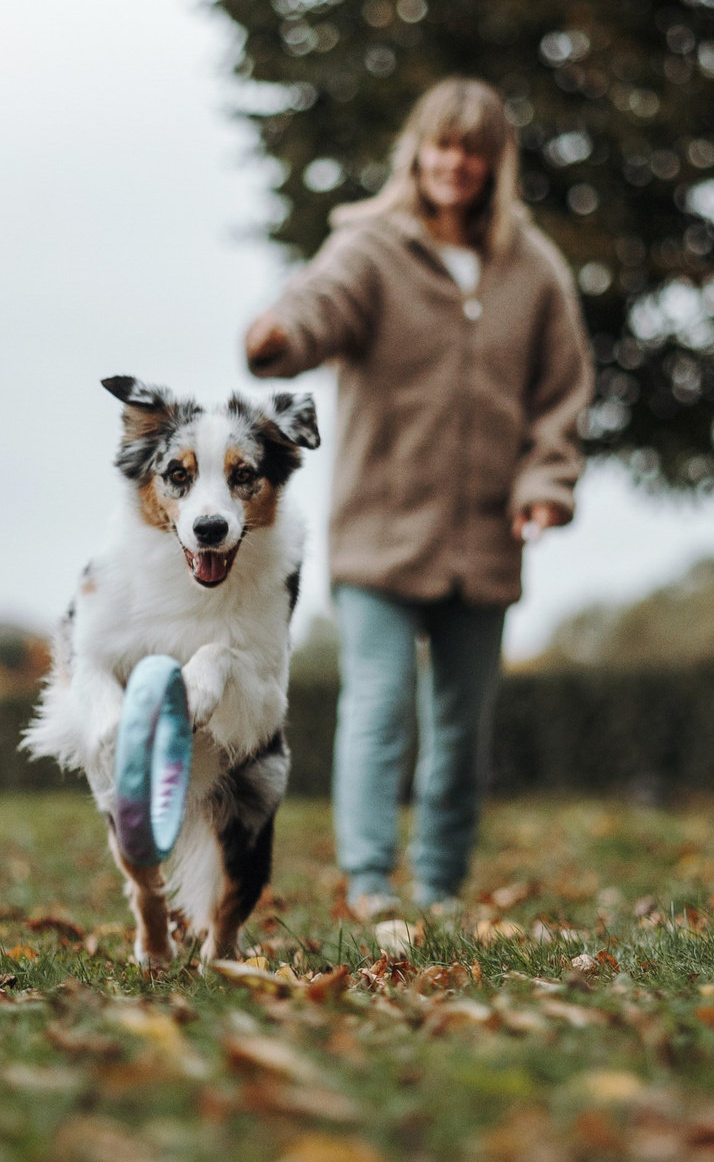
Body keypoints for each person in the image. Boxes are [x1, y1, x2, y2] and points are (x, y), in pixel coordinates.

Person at [245, 77, 593, 919]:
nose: (456, 164)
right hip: (382, 528)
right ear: (418, 151)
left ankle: (437, 884)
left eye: (474, 151)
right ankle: (370, 883)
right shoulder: (372, 248)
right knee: (381, 704)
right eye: (443, 145)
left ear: (495, 163)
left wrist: (547, 485)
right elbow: (317, 304)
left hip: (485, 537)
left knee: (462, 730)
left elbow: (562, 393)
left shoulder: (533, 268)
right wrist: (281, 337)